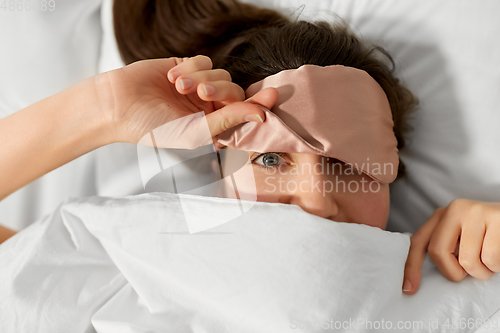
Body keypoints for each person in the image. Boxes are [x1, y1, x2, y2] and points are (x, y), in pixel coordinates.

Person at [0, 0, 499, 298]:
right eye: (270, 158)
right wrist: (102, 108)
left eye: (346, 164)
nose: (318, 203)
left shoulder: (456, 284)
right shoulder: (137, 285)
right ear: (218, 175)